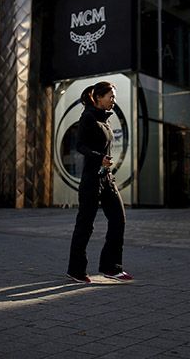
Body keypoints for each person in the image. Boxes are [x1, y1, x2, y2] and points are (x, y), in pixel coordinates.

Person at [65, 81, 133, 283]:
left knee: (118, 219)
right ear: (99, 97)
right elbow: (80, 146)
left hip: (107, 177)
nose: (113, 100)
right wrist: (98, 157)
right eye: (110, 96)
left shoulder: (106, 119)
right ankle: (76, 270)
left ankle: (111, 267)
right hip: (91, 179)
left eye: (113, 97)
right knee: (85, 224)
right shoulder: (87, 117)